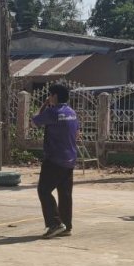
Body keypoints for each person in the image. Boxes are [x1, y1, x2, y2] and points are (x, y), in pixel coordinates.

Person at [32, 83, 80, 239]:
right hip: (70, 158)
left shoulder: (52, 112)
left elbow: (35, 121)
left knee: (44, 190)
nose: (49, 97)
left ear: (54, 96)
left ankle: (55, 224)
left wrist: (44, 105)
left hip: (54, 159)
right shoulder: (72, 112)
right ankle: (66, 226)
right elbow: (77, 133)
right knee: (65, 193)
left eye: (50, 95)